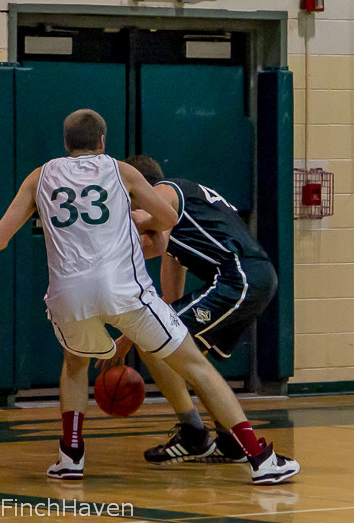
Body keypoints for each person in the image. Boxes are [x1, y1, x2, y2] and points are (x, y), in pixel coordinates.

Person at [0, 109, 299, 485]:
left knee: (75, 366)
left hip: (69, 295)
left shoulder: (39, 176)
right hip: (122, 291)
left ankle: (71, 457)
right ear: (102, 142)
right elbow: (167, 221)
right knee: (196, 365)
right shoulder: (121, 171)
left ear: (65, 145)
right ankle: (259, 458)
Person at [103, 155, 279, 465]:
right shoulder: (180, 224)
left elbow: (149, 233)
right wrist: (128, 337)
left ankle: (194, 434)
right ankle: (230, 439)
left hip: (240, 277)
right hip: (252, 279)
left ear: (140, 189)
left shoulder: (166, 192)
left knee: (155, 345)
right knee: (183, 352)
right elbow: (169, 306)